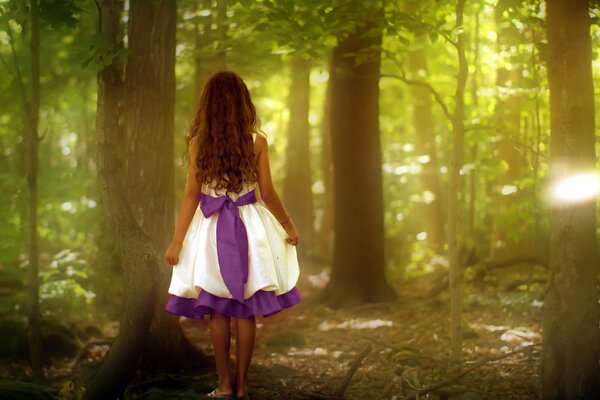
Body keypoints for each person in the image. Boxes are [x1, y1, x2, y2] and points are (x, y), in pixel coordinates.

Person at [163, 70, 302, 399]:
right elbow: (267, 192)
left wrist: (178, 240)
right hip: (251, 228)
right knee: (246, 306)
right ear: (243, 103)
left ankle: (224, 386)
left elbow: (191, 195)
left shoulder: (199, 143)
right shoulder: (257, 141)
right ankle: (243, 387)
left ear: (208, 105)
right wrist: (287, 224)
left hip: (211, 230)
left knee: (219, 308)